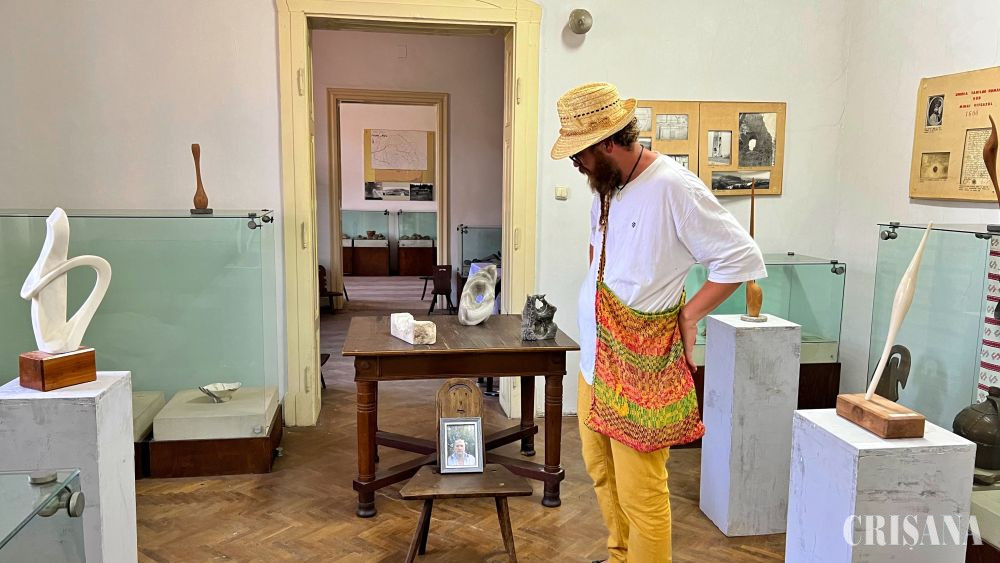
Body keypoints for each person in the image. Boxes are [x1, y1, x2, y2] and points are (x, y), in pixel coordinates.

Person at [550, 82, 766, 562]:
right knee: (601, 472)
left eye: (580, 155)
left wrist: (689, 314)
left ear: (608, 142)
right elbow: (597, 253)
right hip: (594, 361)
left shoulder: (674, 187)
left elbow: (741, 258)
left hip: (641, 367)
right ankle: (620, 555)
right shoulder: (606, 187)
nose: (577, 165)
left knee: (642, 493)